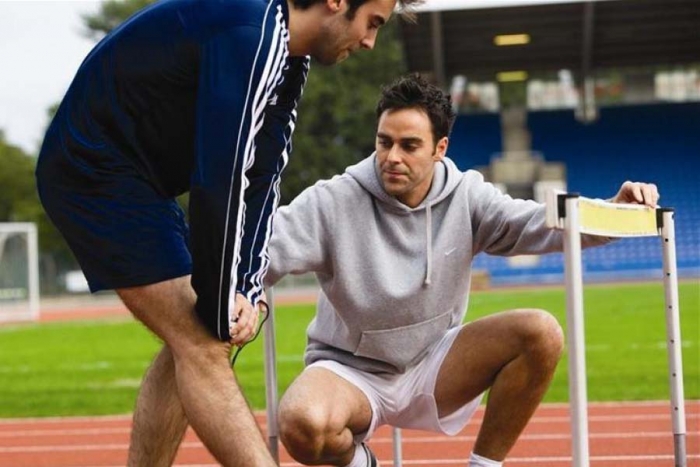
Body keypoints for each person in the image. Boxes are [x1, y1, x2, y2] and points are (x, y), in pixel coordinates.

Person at [34, 0, 419, 464]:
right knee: (204, 339)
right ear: (337, 2)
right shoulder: (251, 32)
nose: (370, 42)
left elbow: (261, 177)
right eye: (372, 23)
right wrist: (224, 298)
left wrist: (248, 288)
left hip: (137, 179)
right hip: (92, 168)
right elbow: (221, 176)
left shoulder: (287, 60)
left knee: (201, 337)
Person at [263, 74, 661, 467]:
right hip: (350, 371)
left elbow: (540, 224)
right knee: (301, 423)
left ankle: (484, 465)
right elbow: (262, 250)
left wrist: (613, 209)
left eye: (409, 145)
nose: (392, 157)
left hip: (435, 364)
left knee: (541, 332)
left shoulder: (467, 195)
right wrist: (234, 293)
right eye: (384, 142)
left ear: (440, 148)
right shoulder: (333, 201)